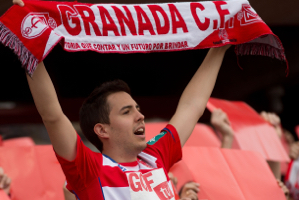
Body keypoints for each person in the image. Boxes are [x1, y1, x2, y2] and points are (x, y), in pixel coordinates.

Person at [13, 1, 230, 199]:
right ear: (102, 130)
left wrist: (221, 46)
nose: (141, 116)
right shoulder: (89, 169)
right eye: (126, 112)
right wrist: (29, 45)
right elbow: (53, 116)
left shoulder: (155, 157)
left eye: (137, 108)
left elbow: (192, 106)